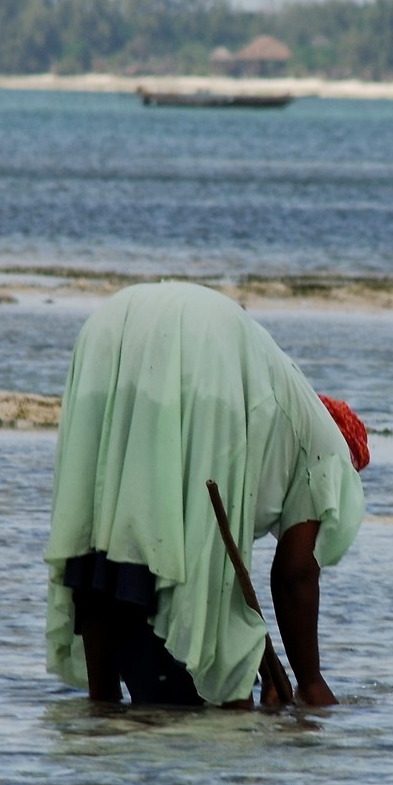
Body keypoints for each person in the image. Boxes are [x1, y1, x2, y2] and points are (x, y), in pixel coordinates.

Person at [45, 281, 368, 709]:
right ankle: (135, 704)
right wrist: (310, 684)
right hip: (201, 339)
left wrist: (267, 665)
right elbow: (294, 576)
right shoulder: (328, 448)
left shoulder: (276, 414)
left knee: (105, 525)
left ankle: (101, 707)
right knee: (221, 687)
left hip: (110, 325)